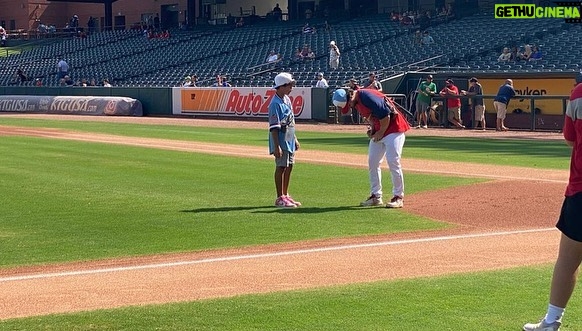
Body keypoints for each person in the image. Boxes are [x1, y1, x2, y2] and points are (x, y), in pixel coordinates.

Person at [522, 72, 582, 331]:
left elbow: (570, 139)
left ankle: (551, 321)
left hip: (581, 189)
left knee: (568, 259)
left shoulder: (578, 93)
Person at [348, 88, 411, 208]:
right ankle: (376, 196)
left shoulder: (366, 96)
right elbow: (372, 116)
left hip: (394, 129)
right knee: (373, 162)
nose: (350, 106)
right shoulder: (357, 101)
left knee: (393, 161)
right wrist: (373, 129)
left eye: (348, 104)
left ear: (350, 97)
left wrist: (380, 132)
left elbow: (385, 114)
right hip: (380, 131)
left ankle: (398, 197)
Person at [268, 72, 301, 208]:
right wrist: (277, 146)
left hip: (289, 137)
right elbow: (274, 127)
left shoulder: (287, 99)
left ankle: (286, 194)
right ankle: (279, 197)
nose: (291, 88)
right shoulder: (274, 104)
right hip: (281, 139)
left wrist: (295, 138)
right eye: (289, 85)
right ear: (281, 86)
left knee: (290, 165)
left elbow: (291, 120)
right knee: (281, 166)